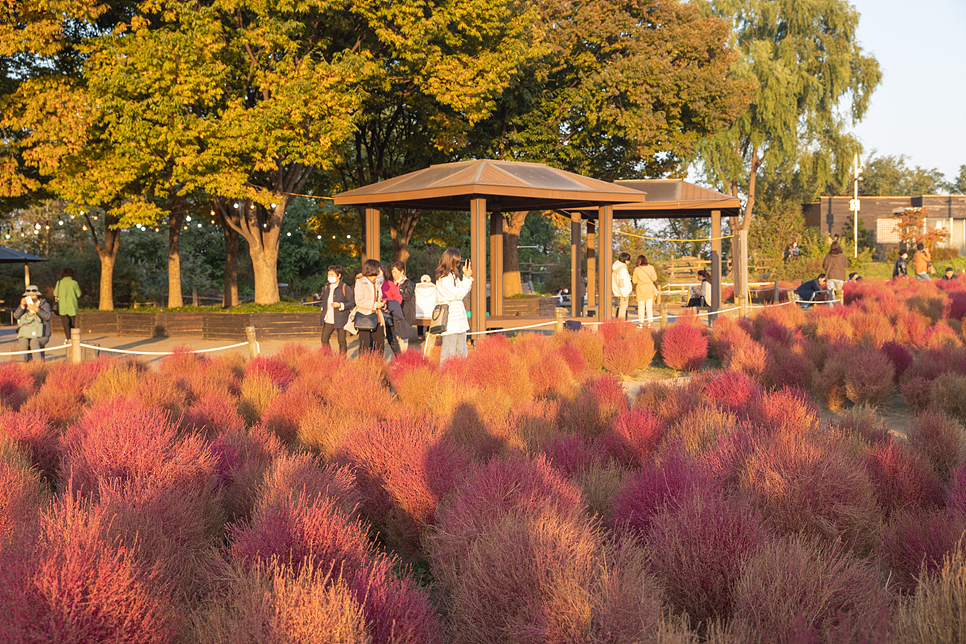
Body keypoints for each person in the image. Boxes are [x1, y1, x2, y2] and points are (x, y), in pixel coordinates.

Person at [435, 247, 474, 362]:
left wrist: (465, 277)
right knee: (448, 355)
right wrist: (466, 278)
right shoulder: (443, 278)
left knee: (461, 353)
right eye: (456, 262)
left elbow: (462, 290)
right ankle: (445, 379)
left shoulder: (452, 275)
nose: (457, 264)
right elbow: (458, 294)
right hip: (450, 322)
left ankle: (460, 377)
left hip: (459, 321)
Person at [354, 259, 387, 357]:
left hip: (377, 317)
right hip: (364, 317)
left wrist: (382, 304)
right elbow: (359, 301)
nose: (380, 271)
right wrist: (375, 304)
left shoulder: (377, 283)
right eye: (378, 268)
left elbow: (378, 298)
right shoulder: (361, 282)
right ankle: (364, 368)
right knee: (364, 346)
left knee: (380, 346)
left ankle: (377, 366)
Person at [319, 265, 354, 354]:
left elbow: (351, 303)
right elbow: (324, 300)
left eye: (332, 274)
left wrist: (340, 305)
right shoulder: (326, 286)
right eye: (328, 274)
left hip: (341, 318)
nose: (329, 276)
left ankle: (342, 360)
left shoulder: (345, 287)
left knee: (341, 340)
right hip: (328, 318)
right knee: (324, 339)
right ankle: (328, 356)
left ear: (338, 276)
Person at [14, 285, 52, 362]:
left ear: (37, 295)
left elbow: (48, 317)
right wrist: (21, 306)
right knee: (23, 341)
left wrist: (37, 309)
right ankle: (20, 368)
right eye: (29, 295)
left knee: (34, 342)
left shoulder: (44, 304)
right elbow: (16, 316)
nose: (31, 297)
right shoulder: (24, 305)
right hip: (26, 333)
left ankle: (38, 367)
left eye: (33, 295)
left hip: (42, 334)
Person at [391, 261, 416, 350]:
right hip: (397, 314)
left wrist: (396, 293)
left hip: (406, 314)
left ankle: (404, 359)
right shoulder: (393, 284)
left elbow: (407, 296)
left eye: (396, 272)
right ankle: (400, 359)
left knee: (404, 339)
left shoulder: (409, 283)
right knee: (397, 339)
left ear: (402, 271)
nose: (394, 274)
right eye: (392, 272)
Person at [54, 267, 82, 341]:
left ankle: (68, 338)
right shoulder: (75, 283)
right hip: (72, 306)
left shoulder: (59, 283)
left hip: (62, 307)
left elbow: (55, 293)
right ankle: (73, 339)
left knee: (65, 324)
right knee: (72, 324)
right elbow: (79, 294)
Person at [632, 255, 658, 328]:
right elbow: (654, 278)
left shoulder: (637, 269)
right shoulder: (651, 267)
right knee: (649, 307)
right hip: (649, 289)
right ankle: (650, 323)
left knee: (641, 306)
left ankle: (641, 323)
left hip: (640, 289)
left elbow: (634, 281)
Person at [822, 241, 848, 305]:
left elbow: (824, 265)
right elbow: (846, 265)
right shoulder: (842, 255)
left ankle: (831, 308)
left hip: (830, 276)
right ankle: (838, 307)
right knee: (838, 293)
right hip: (840, 276)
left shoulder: (828, 255)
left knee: (831, 293)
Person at [611, 252, 632, 320]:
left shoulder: (617, 267)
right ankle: (621, 322)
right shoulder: (622, 269)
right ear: (626, 260)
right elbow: (622, 282)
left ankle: (620, 321)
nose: (629, 262)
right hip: (623, 291)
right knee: (623, 307)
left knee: (621, 307)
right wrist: (624, 294)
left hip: (618, 290)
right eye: (629, 260)